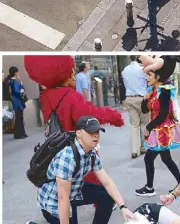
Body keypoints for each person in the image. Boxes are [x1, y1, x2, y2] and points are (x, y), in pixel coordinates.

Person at [23, 116, 136, 224]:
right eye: (91, 132)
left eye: (97, 133)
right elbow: (62, 197)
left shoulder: (92, 154)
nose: (95, 136)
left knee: (106, 194)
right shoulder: (67, 157)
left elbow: (107, 182)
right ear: (79, 133)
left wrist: (123, 206)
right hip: (53, 202)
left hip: (74, 192)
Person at [24, 55, 124, 186]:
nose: (74, 75)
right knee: (93, 174)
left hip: (57, 144)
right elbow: (89, 116)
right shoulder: (71, 96)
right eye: (71, 71)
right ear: (64, 74)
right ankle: (103, 200)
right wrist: (114, 116)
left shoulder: (46, 96)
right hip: (76, 144)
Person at [134, 62, 180, 197]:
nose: (147, 78)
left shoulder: (164, 91)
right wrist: (145, 99)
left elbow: (163, 114)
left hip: (162, 131)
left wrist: (149, 128)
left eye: (149, 75)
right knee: (166, 159)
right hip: (158, 130)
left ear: (158, 76)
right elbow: (145, 110)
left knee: (149, 159)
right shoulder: (153, 92)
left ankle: (150, 188)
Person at [122, 57, 150, 159]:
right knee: (144, 123)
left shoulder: (125, 70)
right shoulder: (143, 70)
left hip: (129, 98)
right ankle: (143, 147)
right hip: (142, 99)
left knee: (134, 125)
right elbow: (148, 83)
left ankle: (134, 150)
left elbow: (124, 84)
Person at [8, 67, 27, 139]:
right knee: (19, 117)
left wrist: (20, 82)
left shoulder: (12, 80)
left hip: (16, 100)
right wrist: (21, 91)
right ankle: (19, 134)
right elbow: (17, 90)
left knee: (19, 117)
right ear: (16, 72)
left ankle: (21, 133)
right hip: (17, 100)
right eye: (18, 72)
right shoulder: (15, 81)